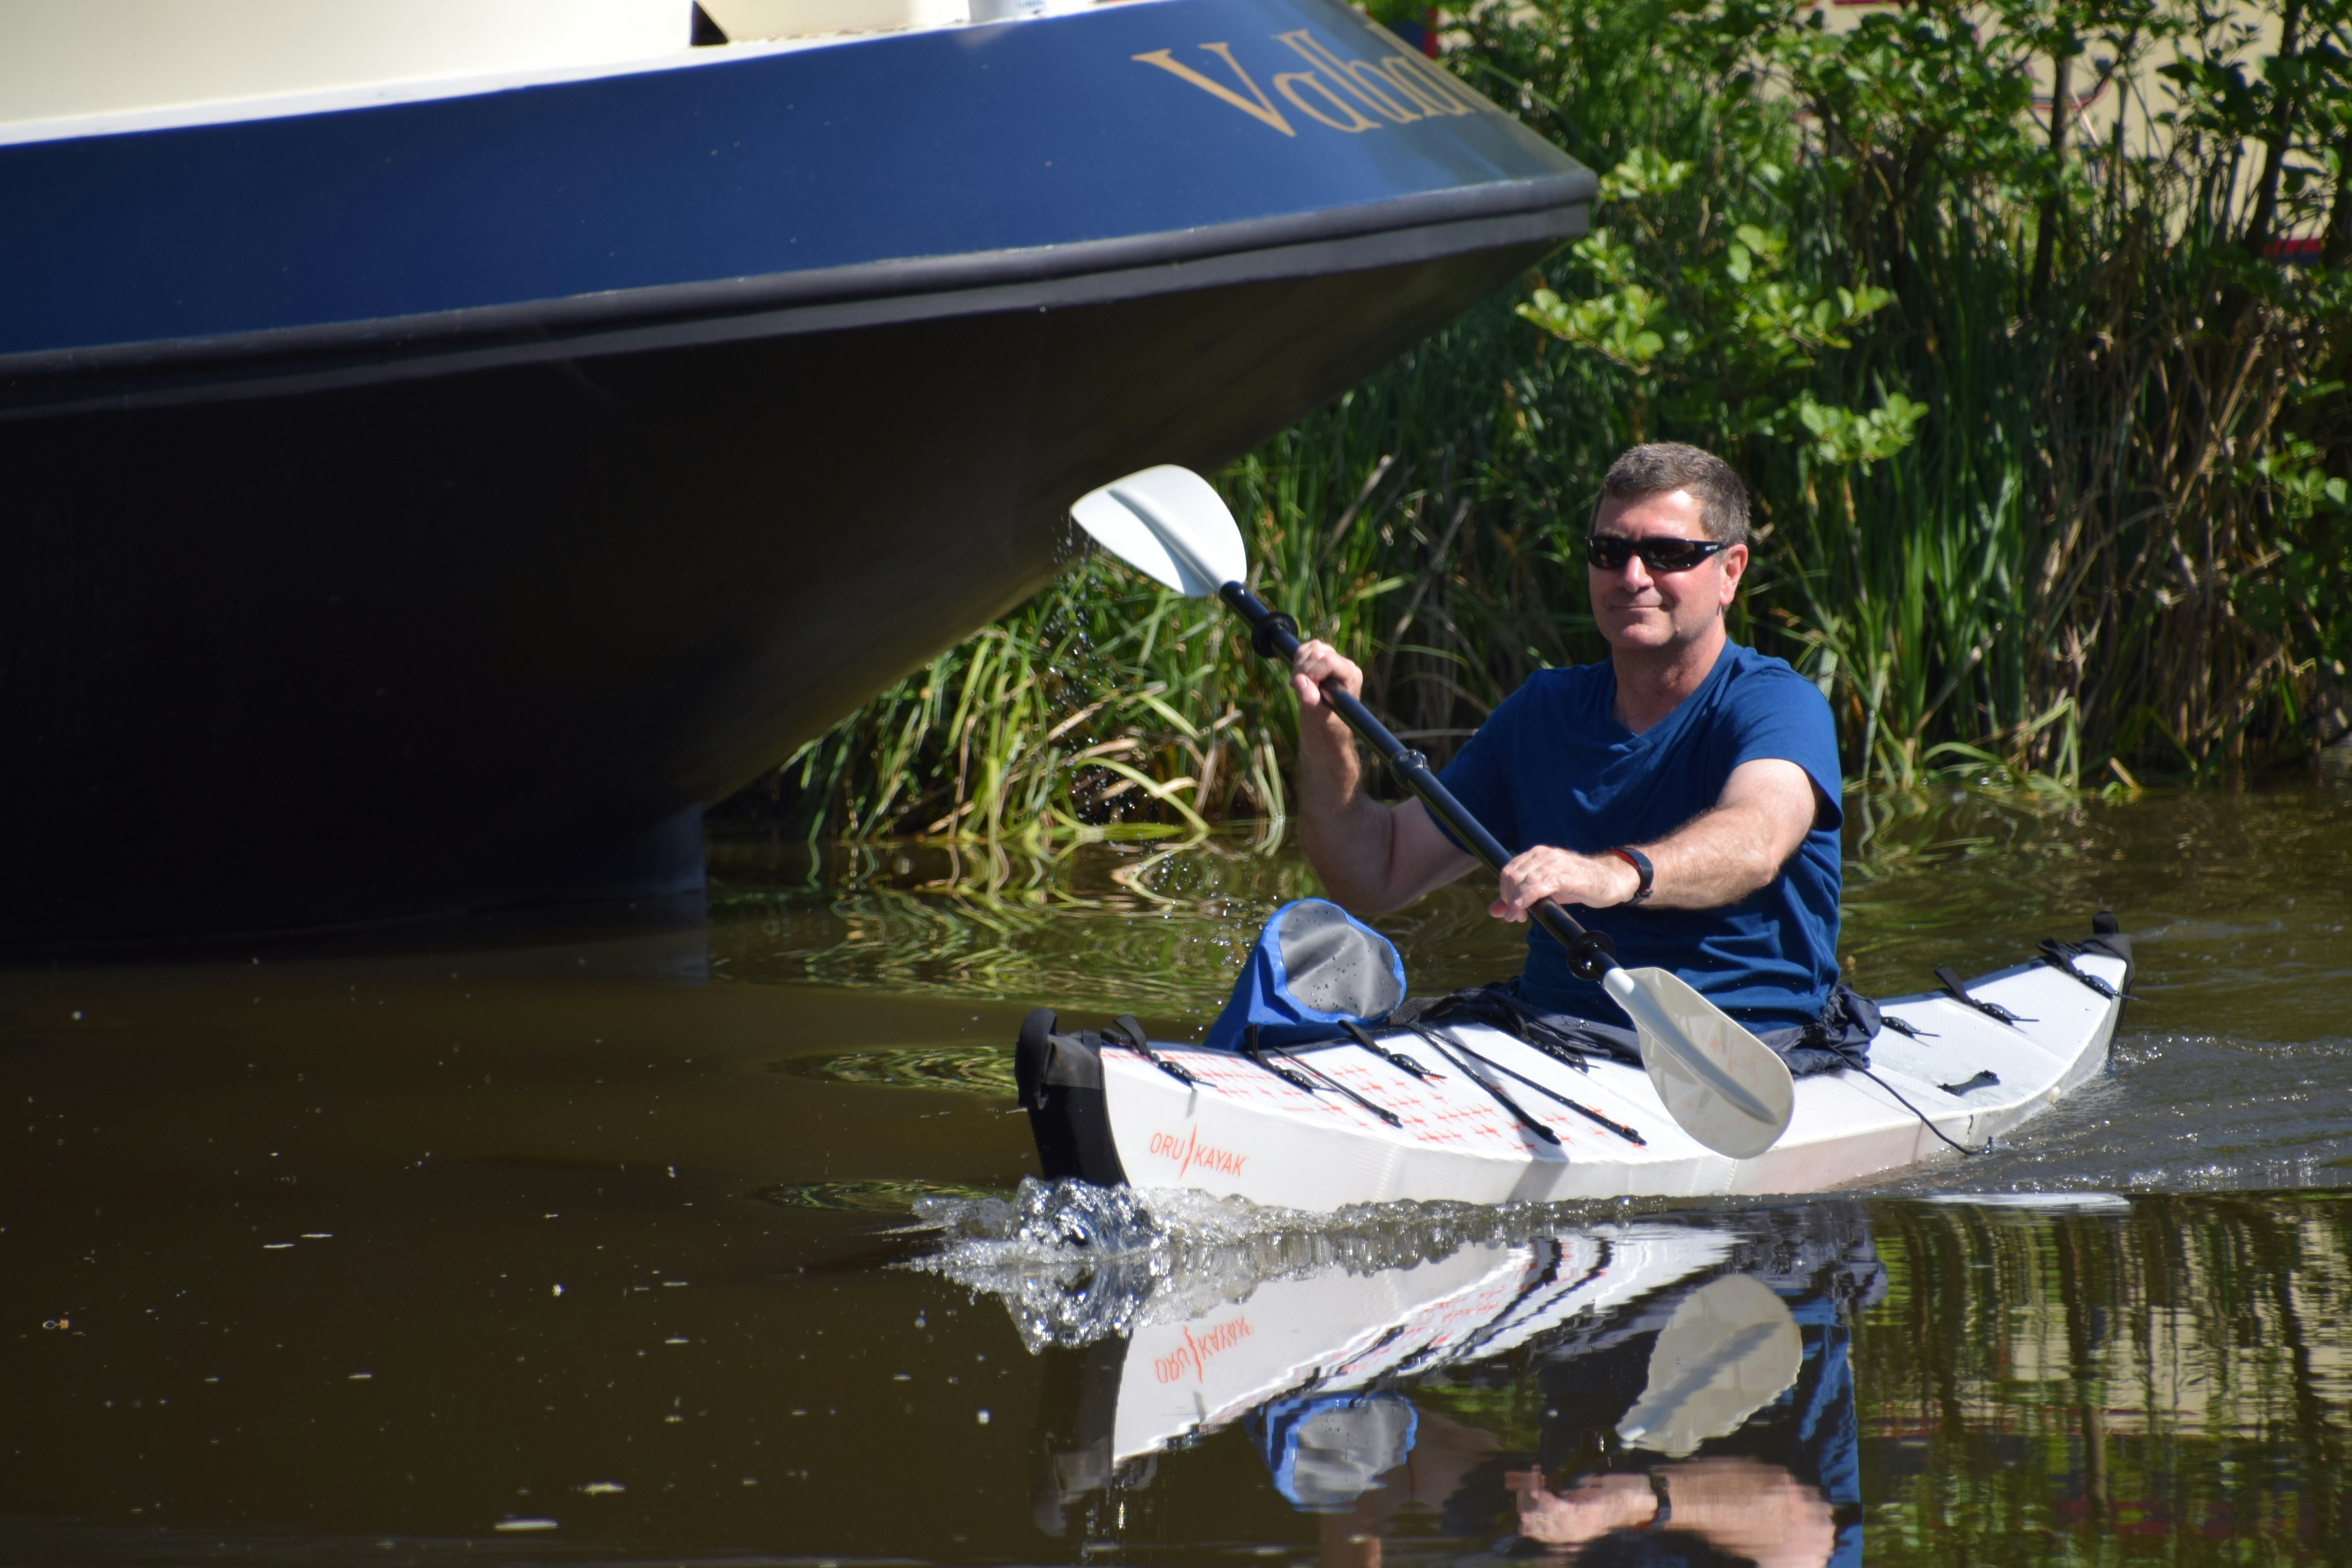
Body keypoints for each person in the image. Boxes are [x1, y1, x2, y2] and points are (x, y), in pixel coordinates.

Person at [1289, 442, 1863, 1060]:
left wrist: (1612, 874)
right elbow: (1375, 873)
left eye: (1667, 554)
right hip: (1552, 1029)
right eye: (1610, 553)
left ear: (1730, 571)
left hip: (1741, 1049)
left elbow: (1755, 843)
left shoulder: (1778, 705)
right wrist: (1329, 735)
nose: (1633, 577)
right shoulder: (1543, 712)